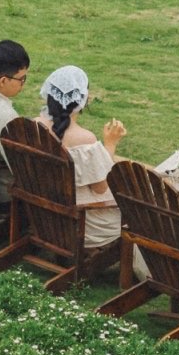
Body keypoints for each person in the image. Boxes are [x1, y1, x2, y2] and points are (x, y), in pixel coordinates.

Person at [40, 66, 124, 250]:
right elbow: (101, 188)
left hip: (41, 217)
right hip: (83, 223)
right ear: (82, 99)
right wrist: (110, 144)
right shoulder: (84, 139)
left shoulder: (33, 127)